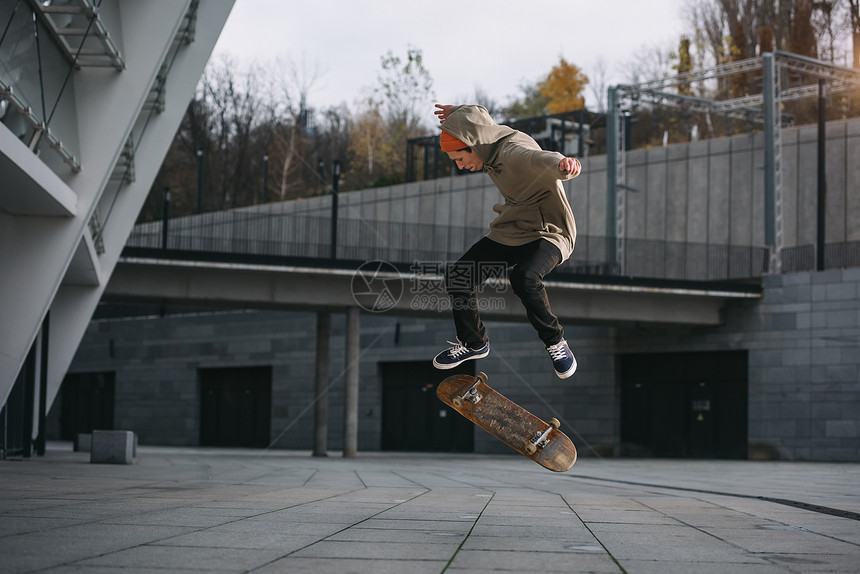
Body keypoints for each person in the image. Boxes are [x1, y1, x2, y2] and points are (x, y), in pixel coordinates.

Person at [431, 104, 582, 379]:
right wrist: (457, 115)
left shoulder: (512, 153)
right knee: (460, 276)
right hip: (514, 229)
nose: (461, 166)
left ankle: (556, 342)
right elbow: (480, 113)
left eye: (460, 159)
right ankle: (474, 343)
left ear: (472, 145)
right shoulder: (488, 141)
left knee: (524, 277)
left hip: (549, 231)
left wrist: (565, 165)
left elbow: (538, 158)